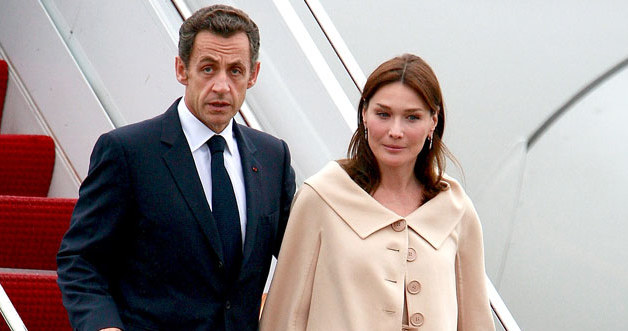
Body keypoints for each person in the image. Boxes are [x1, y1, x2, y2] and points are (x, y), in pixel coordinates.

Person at [56, 4, 296, 331]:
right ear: (182, 70)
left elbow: (301, 257)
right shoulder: (128, 151)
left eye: (235, 71)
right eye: (208, 68)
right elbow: (81, 261)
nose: (222, 86)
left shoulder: (273, 157)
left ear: (253, 75)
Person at [260, 54, 494, 331]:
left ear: (433, 121)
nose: (395, 131)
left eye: (412, 117)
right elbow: (283, 318)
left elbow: (476, 322)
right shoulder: (321, 197)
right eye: (383, 114)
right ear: (364, 115)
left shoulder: (456, 208)